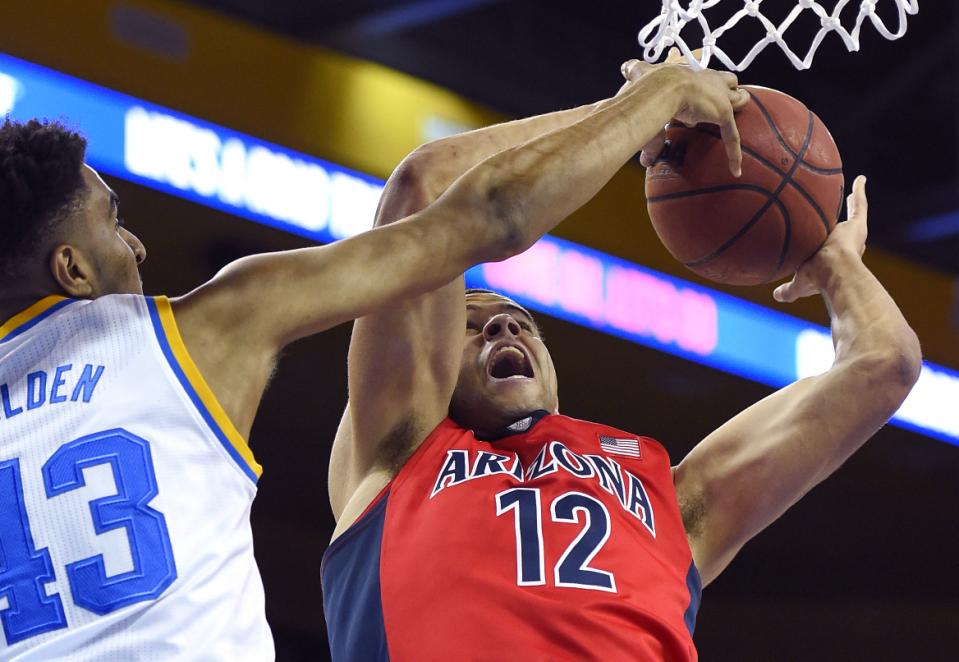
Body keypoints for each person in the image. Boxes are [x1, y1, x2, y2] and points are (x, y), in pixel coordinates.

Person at [0, 65, 743, 661]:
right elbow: (485, 215)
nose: (133, 245)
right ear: (71, 270)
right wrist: (652, 101)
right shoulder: (192, 335)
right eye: (113, 222)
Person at [321, 60, 922, 660]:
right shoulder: (399, 451)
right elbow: (424, 185)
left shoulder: (671, 500)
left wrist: (837, 265)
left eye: (520, 323)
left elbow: (883, 364)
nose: (502, 325)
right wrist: (642, 114)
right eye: (471, 327)